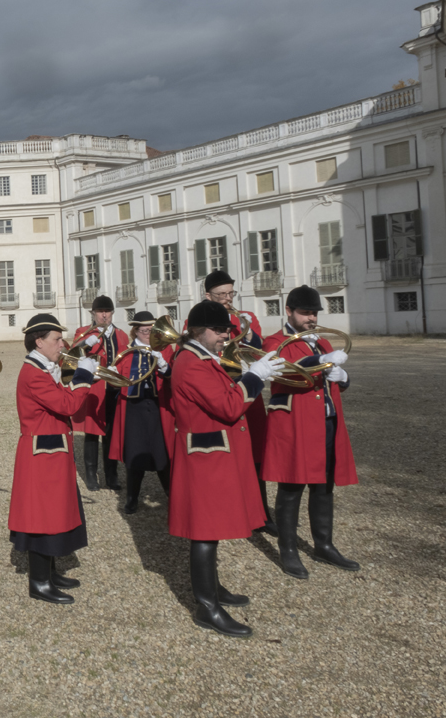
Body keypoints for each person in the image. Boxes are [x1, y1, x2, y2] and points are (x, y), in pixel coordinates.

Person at [169, 301, 284, 636]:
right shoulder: (191, 363)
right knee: (204, 533)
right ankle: (207, 607)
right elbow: (229, 406)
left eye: (227, 331)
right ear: (198, 330)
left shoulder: (201, 357)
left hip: (213, 452)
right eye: (219, 330)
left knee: (212, 530)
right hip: (204, 456)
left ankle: (214, 590)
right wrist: (254, 378)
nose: (225, 336)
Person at [262, 285, 359, 579]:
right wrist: (317, 362)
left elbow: (335, 381)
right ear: (289, 311)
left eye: (314, 312)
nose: (311, 318)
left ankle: (324, 544)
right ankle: (288, 550)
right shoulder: (275, 341)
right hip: (296, 422)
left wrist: (343, 377)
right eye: (305, 312)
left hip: (326, 420)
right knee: (292, 486)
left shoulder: (323, 343)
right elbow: (282, 369)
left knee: (324, 485)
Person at [9, 313, 99, 604]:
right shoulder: (34, 372)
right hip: (41, 453)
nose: (62, 344)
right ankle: (38, 582)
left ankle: (49, 572)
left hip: (52, 450)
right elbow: (66, 404)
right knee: (41, 517)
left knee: (55, 511)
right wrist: (84, 377)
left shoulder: (44, 366)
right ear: (39, 341)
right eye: (57, 339)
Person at [203, 269, 275, 534]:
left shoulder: (247, 317)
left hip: (246, 384)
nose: (227, 299)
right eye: (221, 294)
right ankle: (225, 511)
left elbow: (259, 351)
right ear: (208, 295)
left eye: (231, 293)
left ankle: (262, 514)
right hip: (218, 385)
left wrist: (247, 330)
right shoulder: (199, 318)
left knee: (255, 452)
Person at [110, 311, 173, 514]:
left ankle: (171, 493)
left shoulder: (165, 348)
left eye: (151, 329)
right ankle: (132, 497)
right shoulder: (126, 350)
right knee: (134, 453)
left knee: (162, 451)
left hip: (157, 406)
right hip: (133, 407)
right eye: (143, 330)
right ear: (135, 330)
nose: (147, 333)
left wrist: (163, 364)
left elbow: (175, 375)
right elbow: (116, 379)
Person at [72, 295, 129, 491]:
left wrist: (119, 372)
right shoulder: (83, 332)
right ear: (94, 314)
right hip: (95, 388)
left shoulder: (122, 335)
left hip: (113, 387)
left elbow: (125, 360)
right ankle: (90, 475)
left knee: (111, 433)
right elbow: (71, 357)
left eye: (107, 311)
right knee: (91, 433)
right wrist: (85, 343)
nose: (104, 315)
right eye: (100, 312)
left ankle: (111, 476)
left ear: (112, 313)